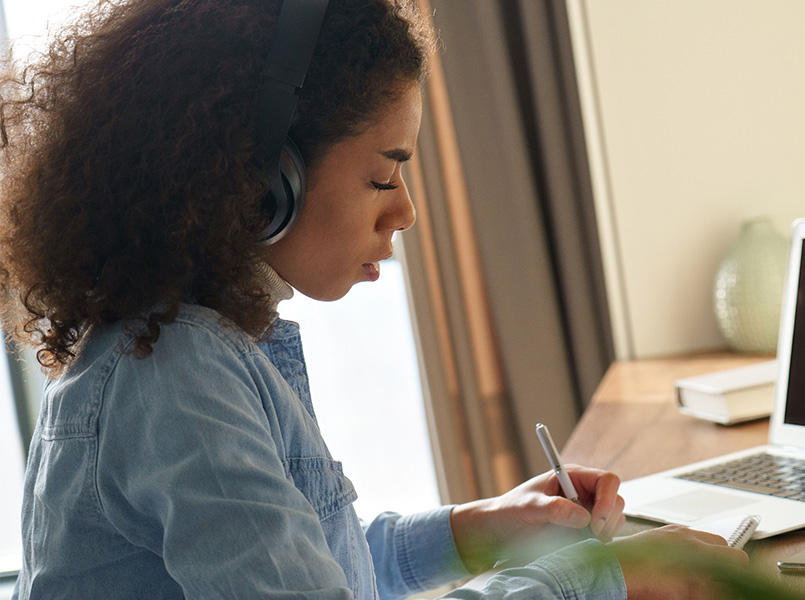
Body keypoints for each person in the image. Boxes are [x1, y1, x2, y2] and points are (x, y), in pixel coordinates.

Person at [0, 1, 746, 599]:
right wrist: (606, 578)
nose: (406, 212)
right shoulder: (177, 375)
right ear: (262, 181)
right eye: (383, 177)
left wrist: (482, 528)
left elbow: (318, 565)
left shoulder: (191, 347)